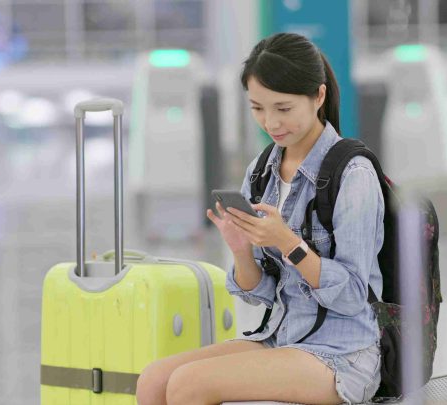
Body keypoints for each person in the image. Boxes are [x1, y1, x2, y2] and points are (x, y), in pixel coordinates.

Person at [136, 32, 384, 405]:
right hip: (280, 336)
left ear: (318, 96)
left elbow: (352, 296)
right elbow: (261, 291)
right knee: (154, 380)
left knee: (190, 384)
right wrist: (240, 249)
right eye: (257, 108)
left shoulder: (353, 174)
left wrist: (286, 242)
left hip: (342, 353)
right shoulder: (262, 170)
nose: (270, 122)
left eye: (283, 109)